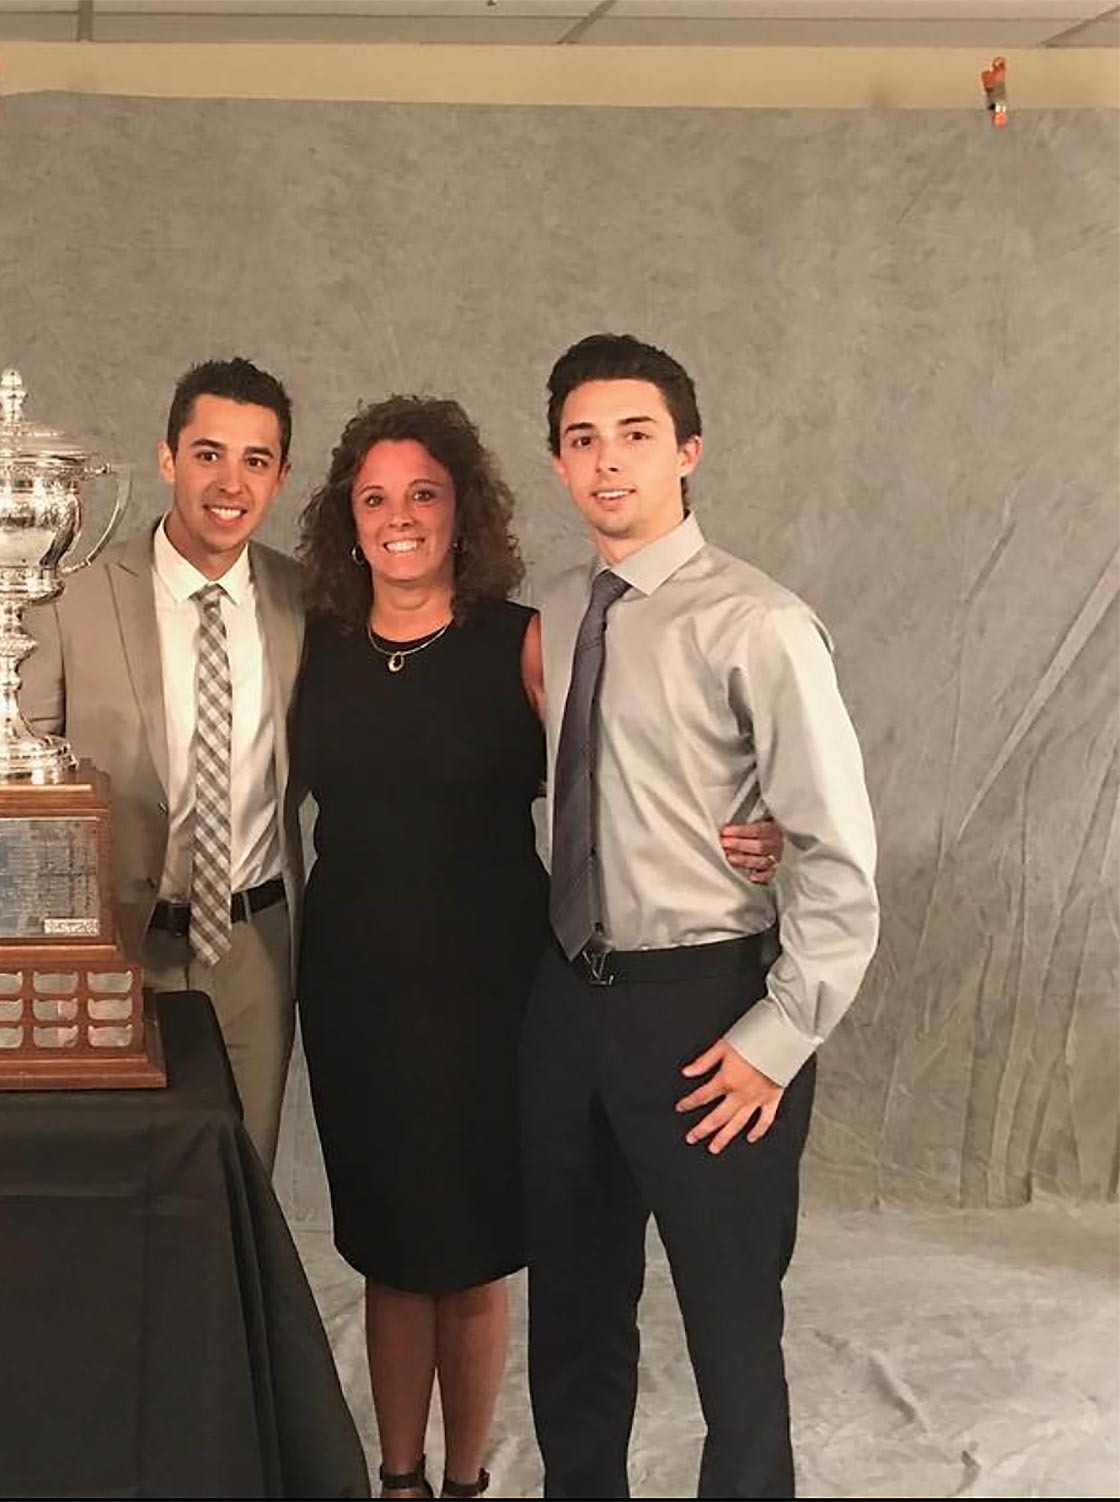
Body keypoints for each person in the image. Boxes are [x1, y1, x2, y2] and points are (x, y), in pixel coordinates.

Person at [291, 396, 783, 1500]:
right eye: (374, 496)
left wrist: (768, 822)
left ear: (462, 508)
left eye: (424, 492)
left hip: (494, 987)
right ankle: (399, 1475)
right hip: (354, 989)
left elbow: (632, 767)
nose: (399, 515)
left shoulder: (524, 638)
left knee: (470, 1240)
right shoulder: (311, 644)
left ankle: (463, 1476)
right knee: (385, 1238)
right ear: (346, 517)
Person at [523, 334, 879, 1498]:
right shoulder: (561, 607)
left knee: (732, 1339)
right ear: (558, 463)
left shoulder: (760, 623)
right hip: (571, 1000)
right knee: (573, 1321)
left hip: (710, 1013)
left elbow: (833, 859)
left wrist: (775, 1040)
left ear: (687, 449)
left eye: (632, 433)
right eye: (580, 439)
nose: (605, 460)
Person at [20, 357, 304, 1169]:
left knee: (240, 1182)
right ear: (167, 458)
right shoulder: (73, 594)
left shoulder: (301, 601)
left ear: (280, 476)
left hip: (254, 949)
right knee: (121, 1185)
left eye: (257, 460)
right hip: (118, 942)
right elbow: (26, 765)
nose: (231, 482)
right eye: (209, 453)